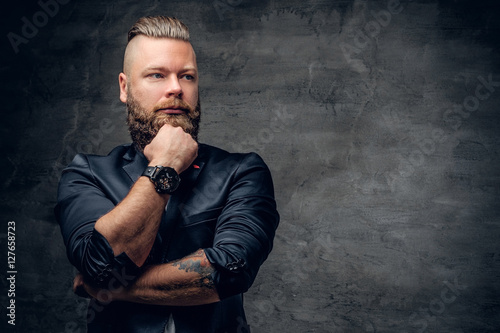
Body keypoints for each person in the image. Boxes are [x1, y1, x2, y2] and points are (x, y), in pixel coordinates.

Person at [55, 16, 279, 333]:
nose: (175, 88)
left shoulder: (243, 172)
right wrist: (166, 164)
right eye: (157, 75)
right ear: (125, 87)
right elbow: (101, 265)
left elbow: (230, 271)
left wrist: (106, 290)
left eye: (187, 76)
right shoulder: (87, 173)